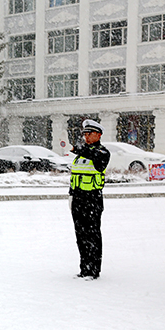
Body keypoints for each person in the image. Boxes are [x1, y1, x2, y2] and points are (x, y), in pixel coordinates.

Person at [69, 119, 110, 280]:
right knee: (80, 234)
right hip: (78, 198)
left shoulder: (102, 152)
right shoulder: (80, 154)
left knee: (92, 234)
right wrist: (71, 196)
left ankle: (94, 270)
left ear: (98, 135)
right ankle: (84, 268)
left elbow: (94, 157)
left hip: (92, 199)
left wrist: (74, 148)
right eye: (84, 134)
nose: (86, 136)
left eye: (89, 133)